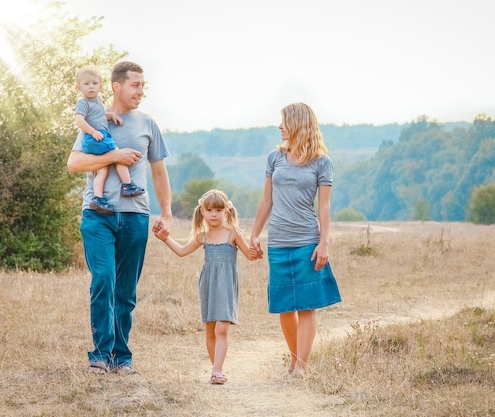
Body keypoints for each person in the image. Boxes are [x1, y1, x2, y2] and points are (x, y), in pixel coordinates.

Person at [67, 61, 172, 375]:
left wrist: (166, 213)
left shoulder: (147, 124)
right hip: (98, 215)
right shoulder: (94, 117)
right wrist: (113, 156)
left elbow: (159, 171)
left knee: (125, 290)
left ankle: (121, 358)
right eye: (135, 85)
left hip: (135, 215)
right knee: (103, 280)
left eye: (142, 85)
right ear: (116, 86)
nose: (141, 91)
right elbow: (74, 163)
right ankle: (99, 355)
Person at [250, 102, 341, 377]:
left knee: (306, 306)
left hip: (307, 242)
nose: (279, 126)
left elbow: (323, 207)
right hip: (278, 241)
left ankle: (301, 366)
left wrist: (323, 243)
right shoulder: (274, 158)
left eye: (284, 121)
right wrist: (254, 233)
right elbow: (267, 200)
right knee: (284, 306)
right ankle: (293, 360)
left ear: (298, 123)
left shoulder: (322, 162)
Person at [154, 189, 257, 385]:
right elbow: (182, 251)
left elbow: (250, 256)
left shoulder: (233, 234)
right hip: (208, 285)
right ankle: (217, 369)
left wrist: (256, 250)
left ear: (226, 211)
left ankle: (216, 370)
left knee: (222, 329)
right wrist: (164, 238)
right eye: (209, 210)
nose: (213, 214)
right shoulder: (203, 236)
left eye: (218, 210)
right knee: (210, 331)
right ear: (202, 211)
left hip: (226, 284)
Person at [74, 65, 145, 215]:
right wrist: (93, 132)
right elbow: (79, 120)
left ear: (100, 86)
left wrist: (110, 116)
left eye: (94, 83)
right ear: (78, 87)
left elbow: (98, 116)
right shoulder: (84, 102)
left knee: (102, 170)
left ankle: (98, 198)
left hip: (97, 137)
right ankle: (127, 185)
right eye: (86, 84)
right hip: (96, 137)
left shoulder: (97, 101)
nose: (91, 87)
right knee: (119, 156)